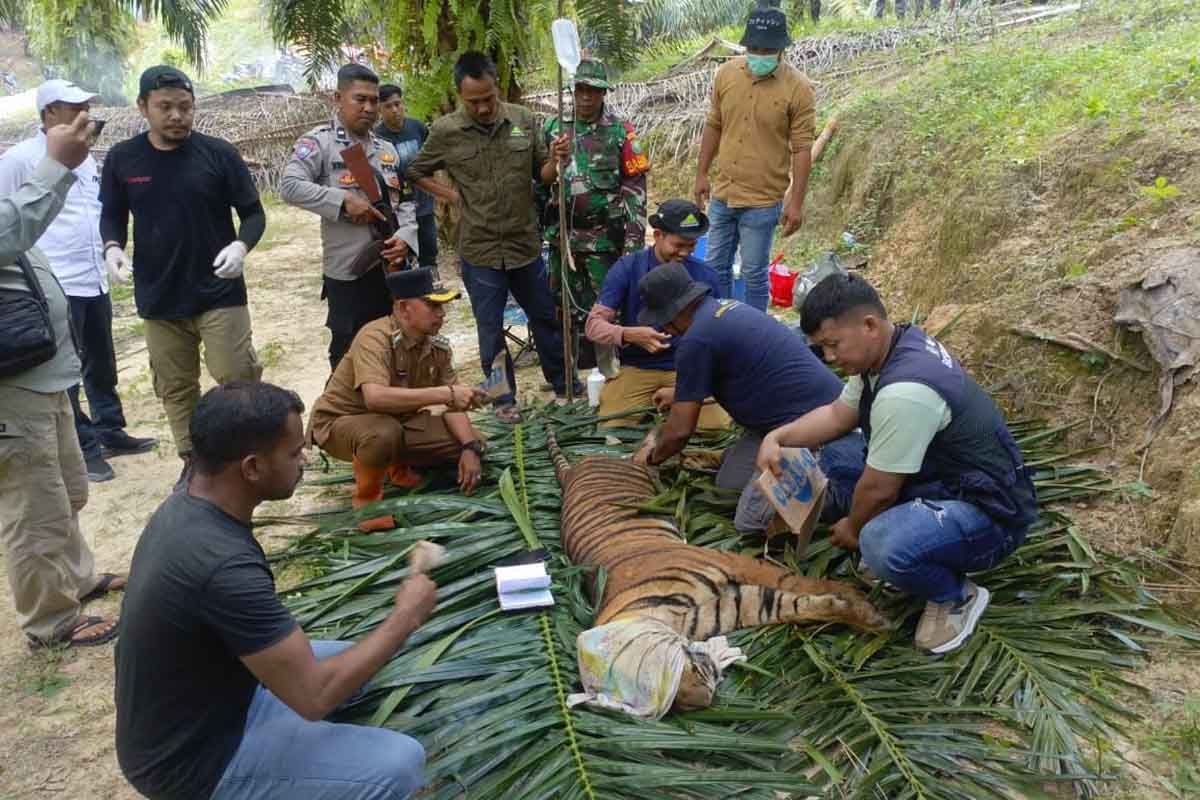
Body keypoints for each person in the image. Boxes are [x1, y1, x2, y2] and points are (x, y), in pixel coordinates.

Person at [116, 381, 433, 799]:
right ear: (251, 467)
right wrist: (405, 617)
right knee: (399, 764)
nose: (304, 460)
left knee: (359, 670)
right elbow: (314, 698)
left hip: (220, 694)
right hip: (195, 762)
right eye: (293, 452)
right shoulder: (223, 566)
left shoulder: (191, 498)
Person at [756, 274, 1038, 654]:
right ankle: (909, 531)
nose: (829, 358)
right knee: (839, 451)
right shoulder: (887, 350)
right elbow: (839, 416)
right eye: (822, 348)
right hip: (940, 475)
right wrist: (778, 437)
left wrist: (854, 528)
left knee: (882, 543)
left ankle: (955, 595)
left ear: (869, 325)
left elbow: (879, 489)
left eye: (832, 345)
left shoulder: (905, 391)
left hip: (989, 512)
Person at [100, 66, 267, 491]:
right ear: (143, 108)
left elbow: (253, 212)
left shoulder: (218, 154)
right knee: (175, 387)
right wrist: (113, 248)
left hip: (219, 288)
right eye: (165, 107)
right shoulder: (123, 159)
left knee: (236, 375)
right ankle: (193, 464)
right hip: (159, 295)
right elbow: (113, 214)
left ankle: (249, 453)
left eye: (185, 107)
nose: (176, 116)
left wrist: (241, 246)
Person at [1, 111, 126, 650]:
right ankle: (49, 622)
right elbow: (10, 233)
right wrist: (56, 165)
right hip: (12, 386)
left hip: (41, 374)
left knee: (65, 492)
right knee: (34, 508)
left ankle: (75, 580)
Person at [0, 79, 157, 483]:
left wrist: (109, 252)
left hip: (91, 275)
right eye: (74, 107)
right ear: (49, 112)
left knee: (101, 361)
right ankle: (82, 446)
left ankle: (109, 429)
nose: (85, 113)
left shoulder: (83, 154)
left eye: (87, 104)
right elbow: (10, 224)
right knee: (66, 369)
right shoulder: (20, 160)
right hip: (57, 278)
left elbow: (95, 211)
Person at [407, 50, 573, 422]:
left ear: (497, 87)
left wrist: (556, 160)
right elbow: (415, 170)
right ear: (460, 97)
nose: (483, 108)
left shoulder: (522, 120)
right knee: (490, 329)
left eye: (488, 98)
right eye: (473, 102)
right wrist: (451, 196)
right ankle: (502, 398)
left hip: (524, 244)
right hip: (479, 249)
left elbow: (542, 175)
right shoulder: (446, 131)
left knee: (544, 317)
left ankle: (564, 384)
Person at [631, 263, 856, 511]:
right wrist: (679, 394)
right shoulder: (723, 309)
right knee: (730, 482)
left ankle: (830, 486)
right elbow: (742, 370)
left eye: (662, 321)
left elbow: (680, 432)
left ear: (673, 314)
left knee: (746, 513)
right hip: (809, 410)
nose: (663, 328)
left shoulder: (697, 339)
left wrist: (650, 459)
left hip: (813, 425)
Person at [308, 268, 488, 531]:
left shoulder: (436, 346)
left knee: (476, 441)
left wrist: (470, 447)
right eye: (432, 306)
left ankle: (397, 468)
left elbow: (453, 405)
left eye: (442, 307)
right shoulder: (375, 337)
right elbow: (375, 398)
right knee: (383, 434)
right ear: (404, 308)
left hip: (395, 422)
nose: (441, 314)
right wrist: (446, 394)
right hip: (342, 424)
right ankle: (368, 507)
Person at [282, 64, 418, 371]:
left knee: (394, 346)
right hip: (349, 272)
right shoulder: (320, 143)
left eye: (374, 100)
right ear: (338, 98)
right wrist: (342, 200)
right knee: (348, 353)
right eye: (360, 99)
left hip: (391, 268)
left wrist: (406, 239)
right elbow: (289, 186)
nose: (369, 108)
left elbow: (405, 203)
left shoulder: (387, 151)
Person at [693, 6, 814, 311]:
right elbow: (714, 124)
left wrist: (795, 202)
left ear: (781, 49)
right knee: (714, 267)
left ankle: (755, 338)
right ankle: (719, 326)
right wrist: (701, 174)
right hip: (724, 193)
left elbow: (801, 148)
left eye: (768, 49)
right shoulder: (726, 75)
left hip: (762, 201)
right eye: (754, 48)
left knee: (754, 274)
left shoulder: (798, 89)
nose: (760, 54)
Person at [542, 58, 649, 372]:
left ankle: (614, 370)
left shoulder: (620, 131)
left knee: (607, 307)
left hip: (604, 240)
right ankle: (577, 370)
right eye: (580, 89)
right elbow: (541, 181)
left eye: (593, 91)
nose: (586, 97)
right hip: (565, 239)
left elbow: (635, 190)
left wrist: (633, 244)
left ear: (604, 93)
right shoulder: (554, 128)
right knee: (566, 307)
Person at [585, 199, 729, 430]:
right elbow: (593, 326)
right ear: (658, 234)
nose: (685, 253)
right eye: (679, 244)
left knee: (714, 429)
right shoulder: (627, 268)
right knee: (611, 427)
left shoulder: (706, 275)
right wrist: (628, 334)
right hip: (638, 368)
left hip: (689, 368)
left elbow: (720, 332)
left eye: (691, 245)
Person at [374, 83, 439, 277]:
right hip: (397, 208)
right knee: (402, 254)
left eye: (397, 104)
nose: (395, 110)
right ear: (380, 109)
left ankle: (432, 286)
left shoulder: (417, 128)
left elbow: (433, 158)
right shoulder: (376, 137)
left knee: (428, 248)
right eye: (388, 106)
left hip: (424, 202)